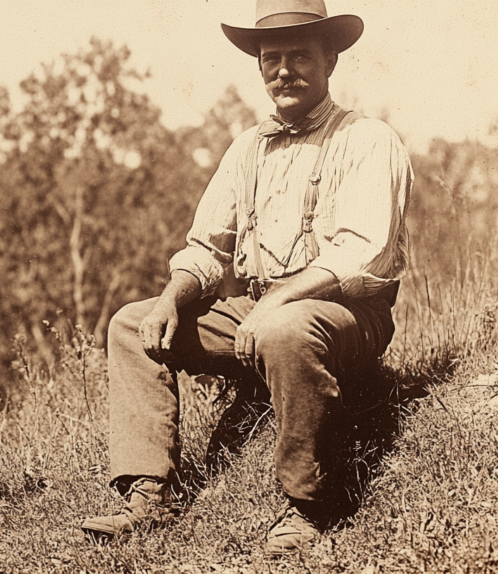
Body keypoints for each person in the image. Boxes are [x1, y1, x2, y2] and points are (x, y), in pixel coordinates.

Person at [80, 0, 412, 555]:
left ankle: (308, 506)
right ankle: (149, 494)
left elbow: (358, 255)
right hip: (258, 308)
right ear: (259, 67)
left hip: (345, 313)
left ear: (330, 60)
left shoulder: (368, 140)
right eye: (272, 57)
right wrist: (171, 299)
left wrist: (274, 306)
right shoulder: (247, 149)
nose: (285, 71)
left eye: (301, 56)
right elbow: (208, 250)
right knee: (130, 325)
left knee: (286, 331)